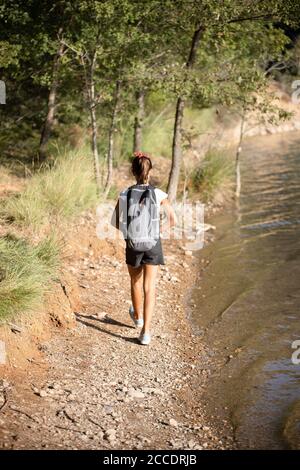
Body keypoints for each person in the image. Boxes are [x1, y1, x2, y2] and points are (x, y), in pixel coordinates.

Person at [112, 152, 176, 345]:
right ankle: (146, 333)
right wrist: (158, 231)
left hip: (132, 244)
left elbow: (114, 221)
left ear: (133, 171)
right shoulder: (158, 194)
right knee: (150, 288)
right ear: (150, 171)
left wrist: (129, 232)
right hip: (152, 244)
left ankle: (137, 317)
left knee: (135, 282)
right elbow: (173, 220)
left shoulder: (125, 194)